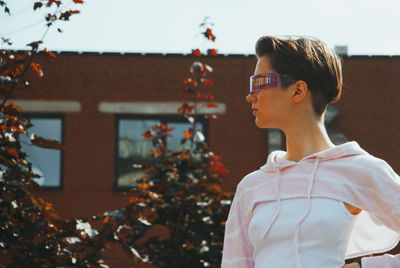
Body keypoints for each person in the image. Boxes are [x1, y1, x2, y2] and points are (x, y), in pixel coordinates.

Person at [221, 36, 400, 268]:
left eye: (260, 82)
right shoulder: (251, 187)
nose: (250, 95)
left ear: (298, 91)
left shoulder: (361, 170)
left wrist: (363, 267)